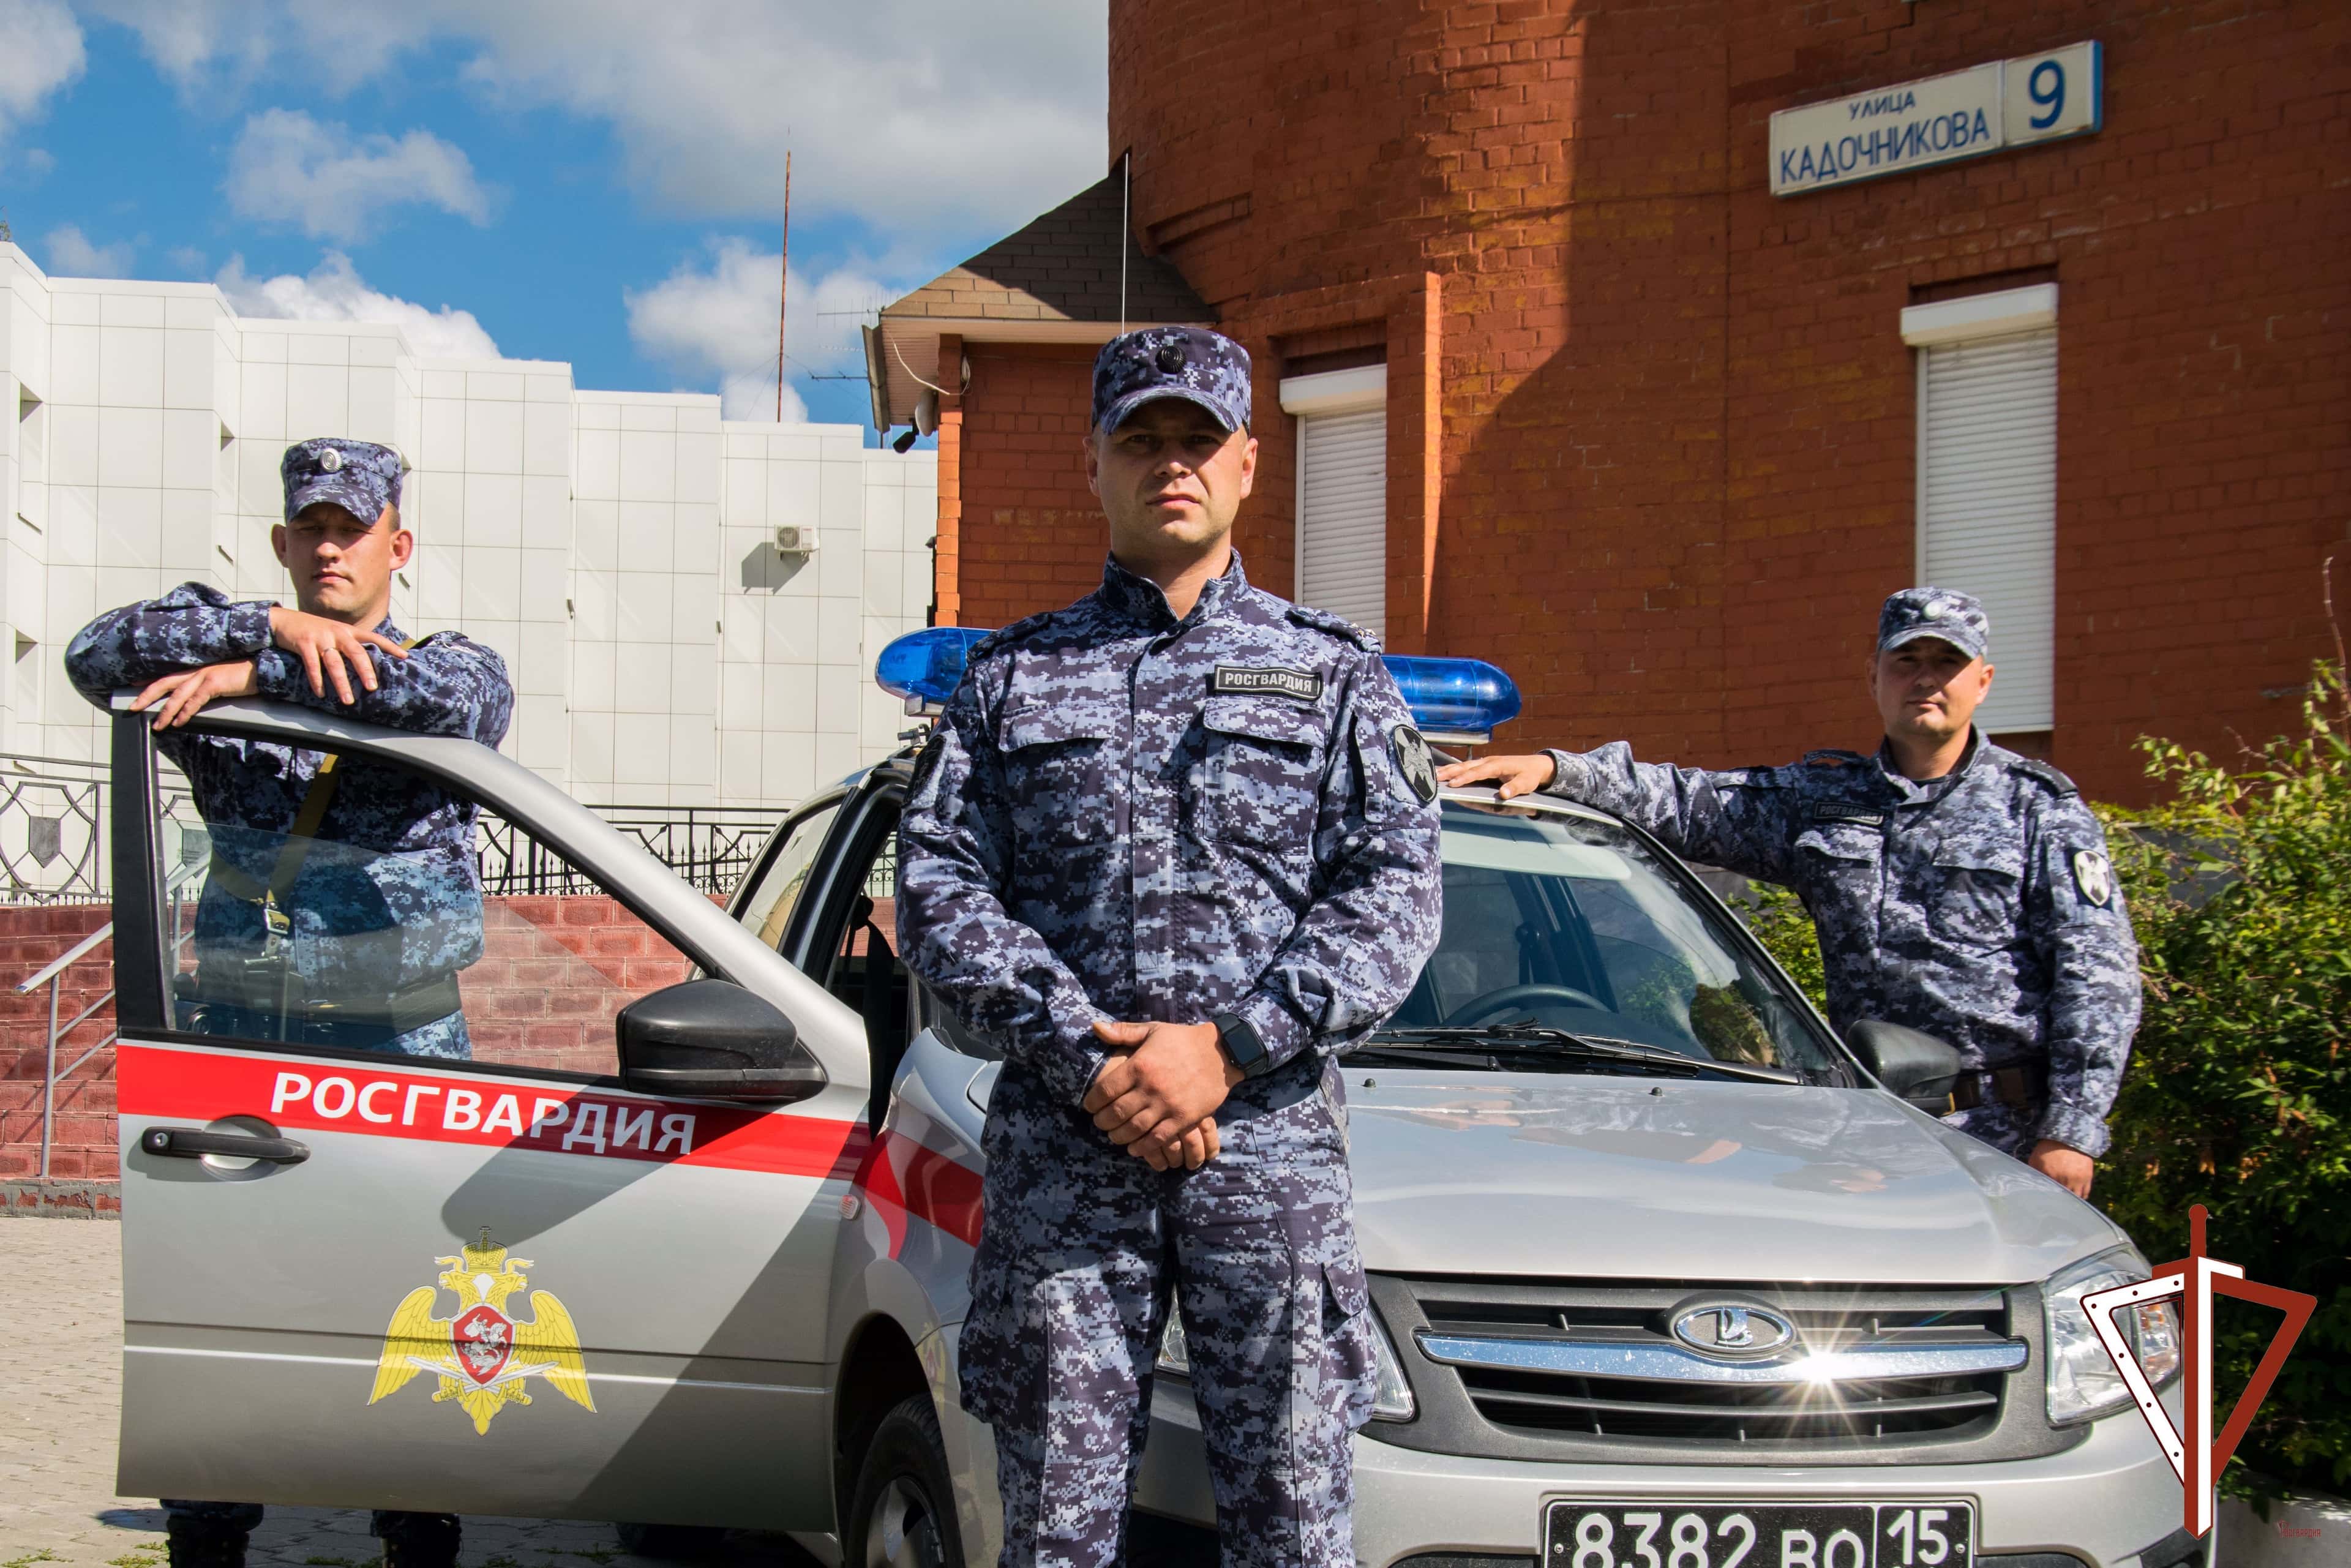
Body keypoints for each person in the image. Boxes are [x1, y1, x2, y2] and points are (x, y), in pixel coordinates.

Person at [896, 326, 1444, 1568]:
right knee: (1052, 1533)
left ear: (1249, 463)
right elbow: (937, 887)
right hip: (1066, 1161)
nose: (1170, 463)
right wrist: (1092, 1055)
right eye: (1140, 439)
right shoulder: (1007, 682)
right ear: (1093, 465)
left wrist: (1228, 1050)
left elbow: (1396, 892)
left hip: (1271, 1158)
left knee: (1295, 1529)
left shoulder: (1337, 674)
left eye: (1197, 439)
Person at [65, 437, 512, 1568]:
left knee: (413, 1295)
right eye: (310, 528)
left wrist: (249, 678)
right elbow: (91, 652)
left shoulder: (456, 666)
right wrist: (264, 629)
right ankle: (209, 1532)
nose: (329, 547)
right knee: (231, 1305)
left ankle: (417, 1527)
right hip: (244, 1047)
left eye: (351, 529)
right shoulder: (240, 631)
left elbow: (425, 693)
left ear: (396, 547)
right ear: (281, 544)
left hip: (406, 1050)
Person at [1438, 587, 2139, 1198]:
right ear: (1874, 675)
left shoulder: (2040, 810)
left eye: (1946, 663)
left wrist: (2071, 1132)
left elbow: (2098, 979)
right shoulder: (1824, 800)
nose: (1925, 679)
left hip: (2009, 1135)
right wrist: (1557, 769)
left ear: (1982, 680)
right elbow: (1691, 802)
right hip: (1878, 1131)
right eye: (1907, 661)